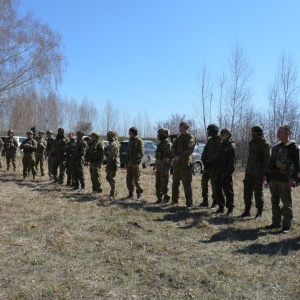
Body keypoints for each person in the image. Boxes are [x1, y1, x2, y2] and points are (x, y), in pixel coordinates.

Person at [264, 125, 300, 234]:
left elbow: (298, 165)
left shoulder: (293, 147)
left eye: (280, 132)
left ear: (288, 133)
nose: (278, 134)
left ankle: (286, 225)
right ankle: (276, 223)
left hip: (285, 180)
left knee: (286, 204)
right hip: (273, 179)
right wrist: (266, 175)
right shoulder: (276, 147)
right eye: (278, 132)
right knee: (274, 202)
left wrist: (293, 179)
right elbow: (270, 162)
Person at [240, 126, 271, 218]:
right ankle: (247, 211)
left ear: (258, 133)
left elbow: (267, 161)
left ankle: (259, 212)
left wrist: (264, 174)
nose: (252, 134)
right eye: (252, 133)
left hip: (259, 173)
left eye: (254, 133)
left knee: (258, 193)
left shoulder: (265, 144)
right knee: (247, 192)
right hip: (249, 171)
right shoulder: (251, 143)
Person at [171, 122, 196, 208]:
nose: (179, 128)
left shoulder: (191, 137)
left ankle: (189, 204)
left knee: (186, 184)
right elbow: (173, 147)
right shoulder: (179, 137)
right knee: (175, 182)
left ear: (184, 127)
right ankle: (174, 201)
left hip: (185, 164)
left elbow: (189, 150)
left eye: (180, 126)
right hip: (176, 164)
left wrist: (180, 157)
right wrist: (175, 156)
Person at [214, 128, 236, 216]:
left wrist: (228, 173)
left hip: (225, 172)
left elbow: (232, 163)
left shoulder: (230, 146)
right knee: (217, 190)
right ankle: (221, 207)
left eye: (221, 134)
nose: (220, 135)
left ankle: (230, 209)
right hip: (218, 171)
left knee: (228, 191)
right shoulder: (221, 144)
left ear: (225, 135)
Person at [199, 124, 221, 209]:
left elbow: (218, 153)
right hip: (207, 166)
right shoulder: (210, 140)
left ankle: (215, 202)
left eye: (209, 130)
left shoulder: (219, 140)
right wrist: (203, 160)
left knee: (214, 185)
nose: (208, 132)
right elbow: (205, 151)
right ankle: (205, 201)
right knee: (204, 183)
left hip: (214, 167)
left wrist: (209, 161)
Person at [154, 128, 173, 204]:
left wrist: (168, 167)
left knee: (164, 184)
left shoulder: (169, 145)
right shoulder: (159, 144)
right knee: (158, 184)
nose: (158, 136)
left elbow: (171, 157)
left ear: (163, 135)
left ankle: (166, 198)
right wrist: (155, 165)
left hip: (164, 167)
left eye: (159, 135)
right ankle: (159, 199)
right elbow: (158, 156)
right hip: (159, 167)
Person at [125, 127, 144, 200]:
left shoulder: (139, 141)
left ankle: (139, 195)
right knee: (129, 179)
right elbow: (128, 152)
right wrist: (126, 162)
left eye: (129, 132)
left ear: (133, 132)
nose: (128, 133)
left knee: (137, 180)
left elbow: (141, 153)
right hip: (130, 163)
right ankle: (131, 194)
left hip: (136, 164)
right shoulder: (130, 141)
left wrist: (138, 163)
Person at [105, 130, 120, 198]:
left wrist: (108, 166)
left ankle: (113, 192)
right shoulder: (114, 143)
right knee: (109, 178)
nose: (107, 137)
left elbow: (111, 157)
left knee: (110, 178)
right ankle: (113, 191)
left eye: (108, 136)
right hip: (113, 163)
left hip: (112, 163)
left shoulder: (112, 144)